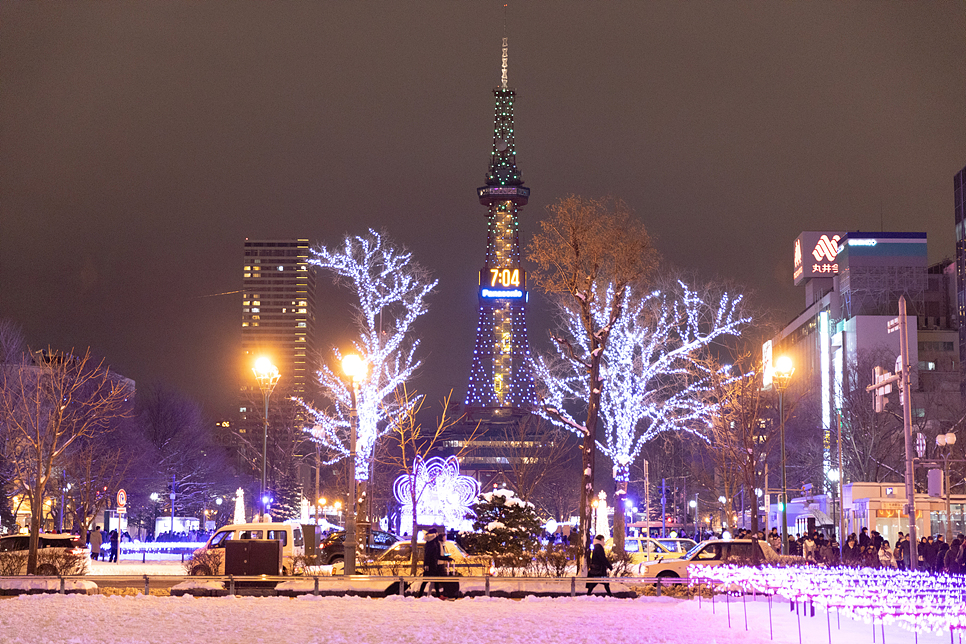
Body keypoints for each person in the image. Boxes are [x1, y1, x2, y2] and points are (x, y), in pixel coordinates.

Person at [416, 528, 445, 598]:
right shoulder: (431, 543)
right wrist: (426, 565)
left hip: (433, 564)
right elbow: (427, 555)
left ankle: (436, 595)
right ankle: (420, 595)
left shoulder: (433, 542)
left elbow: (436, 555)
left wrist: (446, 558)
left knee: (434, 579)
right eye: (436, 532)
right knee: (426, 580)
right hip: (431, 565)